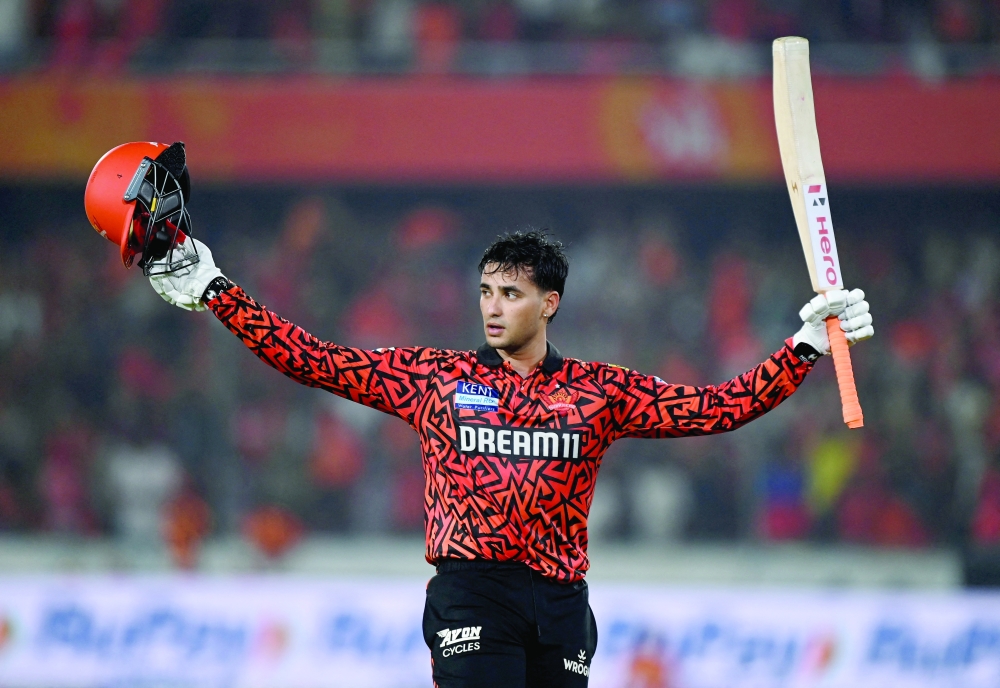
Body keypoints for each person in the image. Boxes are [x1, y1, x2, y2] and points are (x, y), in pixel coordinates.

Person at [147, 230, 873, 687]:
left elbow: (721, 406)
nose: (492, 308)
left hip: (561, 605)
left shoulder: (599, 392)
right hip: (472, 593)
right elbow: (314, 361)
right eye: (486, 292)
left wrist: (801, 347)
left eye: (512, 294)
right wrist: (216, 289)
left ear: (550, 303)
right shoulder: (434, 379)